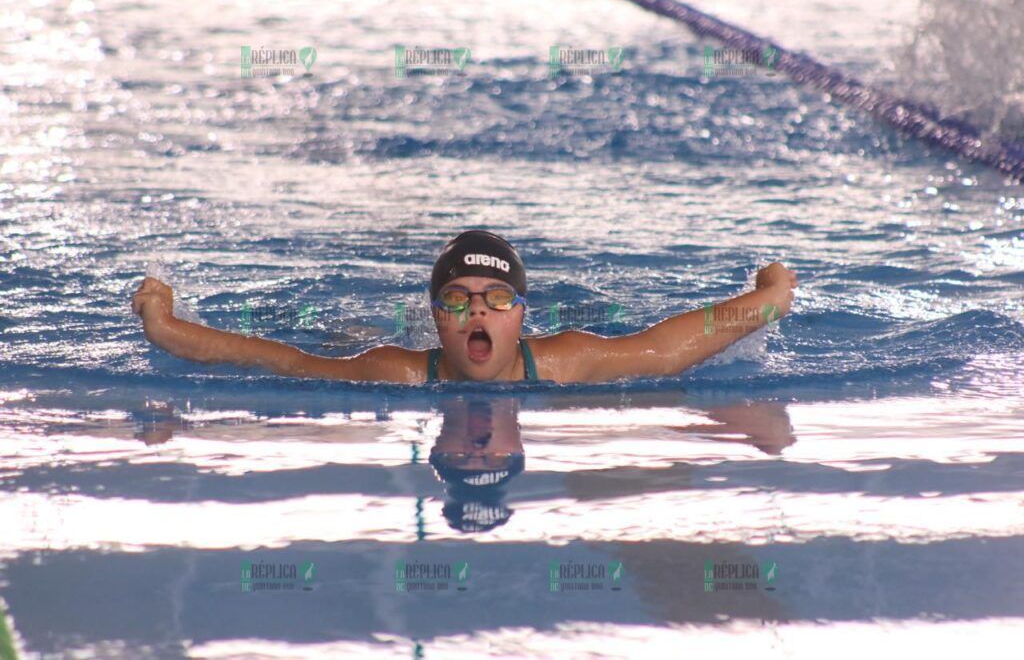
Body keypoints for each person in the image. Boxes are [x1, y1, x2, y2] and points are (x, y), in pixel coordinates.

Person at [131, 229, 798, 383]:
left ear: (522, 315)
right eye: (459, 300)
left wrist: (769, 296)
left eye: (497, 298)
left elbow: (668, 346)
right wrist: (168, 328)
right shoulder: (398, 372)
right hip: (378, 347)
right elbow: (278, 358)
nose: (479, 312)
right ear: (438, 317)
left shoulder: (565, 361)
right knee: (341, 343)